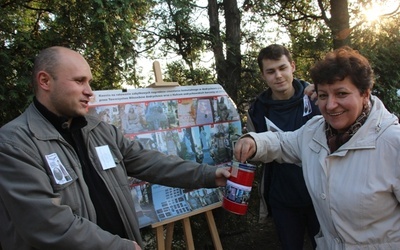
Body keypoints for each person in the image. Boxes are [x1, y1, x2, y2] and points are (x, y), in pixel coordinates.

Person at [0, 46, 230, 250]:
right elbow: (46, 224)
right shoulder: (15, 143)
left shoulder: (99, 130)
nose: (89, 91)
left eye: (89, 82)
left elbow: (151, 163)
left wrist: (208, 175)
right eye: (79, 81)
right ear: (45, 81)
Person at [234, 46, 400, 249]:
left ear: (365, 94)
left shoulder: (392, 143)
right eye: (323, 96)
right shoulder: (315, 131)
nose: (330, 105)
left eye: (341, 93)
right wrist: (254, 141)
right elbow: (282, 142)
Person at [247, 44, 320, 250]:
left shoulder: (316, 97)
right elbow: (254, 155)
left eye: (282, 68)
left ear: (293, 67)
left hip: (319, 194)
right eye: (271, 71)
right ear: (263, 75)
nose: (278, 76)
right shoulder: (257, 110)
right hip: (283, 198)